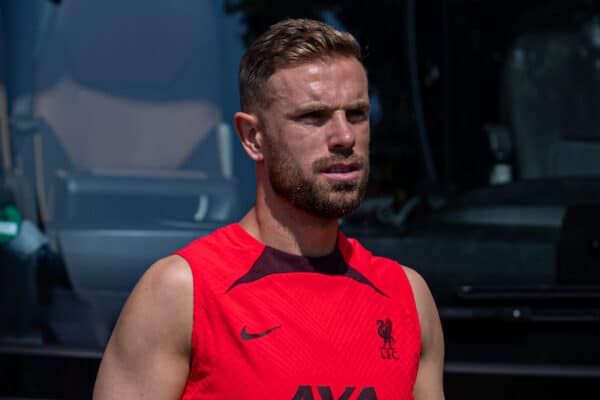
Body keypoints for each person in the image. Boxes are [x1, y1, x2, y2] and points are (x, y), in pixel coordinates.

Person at [94, 18, 444, 399]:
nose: (345, 137)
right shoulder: (182, 293)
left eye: (357, 114)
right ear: (253, 137)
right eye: (314, 116)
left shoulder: (407, 297)